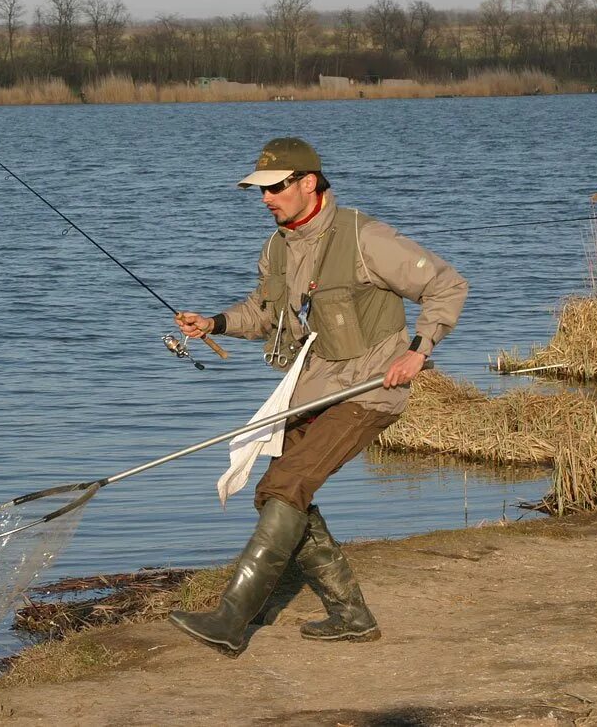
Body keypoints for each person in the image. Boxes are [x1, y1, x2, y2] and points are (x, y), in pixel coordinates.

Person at [170, 136, 469, 656]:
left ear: (309, 182)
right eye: (259, 189)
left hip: (372, 388)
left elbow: (447, 286)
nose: (266, 198)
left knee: (287, 485)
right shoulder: (276, 248)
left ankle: (230, 619)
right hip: (312, 389)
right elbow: (265, 315)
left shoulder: (365, 237)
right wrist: (213, 322)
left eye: (275, 187)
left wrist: (417, 353)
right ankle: (350, 614)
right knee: (274, 491)